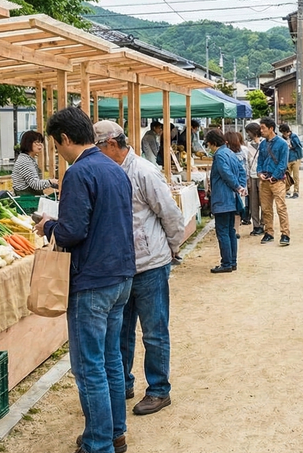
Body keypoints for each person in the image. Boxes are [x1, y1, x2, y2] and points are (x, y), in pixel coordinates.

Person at [34, 107, 136, 453]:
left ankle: (98, 443)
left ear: (64, 139)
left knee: (89, 366)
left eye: (56, 144)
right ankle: (114, 433)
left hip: (91, 280)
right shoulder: (114, 167)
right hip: (120, 275)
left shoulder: (78, 173)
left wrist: (48, 226)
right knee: (110, 361)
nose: (58, 151)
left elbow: (72, 231)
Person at [93, 120, 185, 418]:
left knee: (154, 331)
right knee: (121, 332)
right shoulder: (105, 171)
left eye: (97, 147)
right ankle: (123, 383)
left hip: (150, 264)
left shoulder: (144, 171)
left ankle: (159, 390)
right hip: (120, 267)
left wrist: (173, 246)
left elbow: (169, 212)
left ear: (110, 144)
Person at [206, 129, 248, 274]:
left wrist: (237, 186)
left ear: (212, 143)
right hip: (232, 198)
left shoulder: (219, 155)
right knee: (231, 230)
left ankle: (226, 262)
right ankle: (232, 261)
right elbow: (242, 171)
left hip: (222, 198)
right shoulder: (230, 152)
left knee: (223, 231)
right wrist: (240, 187)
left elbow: (225, 173)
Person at [257, 117, 291, 246]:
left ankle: (285, 234)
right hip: (264, 179)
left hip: (277, 181)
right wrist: (259, 172)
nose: (261, 131)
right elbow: (260, 160)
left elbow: (283, 163)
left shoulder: (282, 144)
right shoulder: (262, 144)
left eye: (263, 128)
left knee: (281, 207)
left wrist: (275, 176)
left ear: (271, 128)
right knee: (266, 208)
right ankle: (269, 232)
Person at [12, 130, 58, 196]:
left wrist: (54, 184)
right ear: (28, 143)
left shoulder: (29, 159)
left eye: (41, 142)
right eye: (36, 142)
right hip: (26, 200)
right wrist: (51, 181)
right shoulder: (25, 161)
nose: (40, 145)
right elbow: (35, 184)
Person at [225, 132, 251, 226]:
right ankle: (237, 227)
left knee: (233, 207)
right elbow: (245, 167)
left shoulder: (227, 153)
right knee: (240, 205)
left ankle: (234, 227)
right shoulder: (243, 150)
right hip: (242, 182)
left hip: (233, 184)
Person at [244, 123, 264, 235]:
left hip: (262, 176)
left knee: (264, 202)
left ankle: (263, 224)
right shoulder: (248, 145)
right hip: (252, 175)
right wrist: (247, 179)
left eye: (249, 132)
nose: (248, 135)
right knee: (253, 203)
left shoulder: (264, 143)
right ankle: (256, 225)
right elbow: (247, 163)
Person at [279, 124, 303, 199]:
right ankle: (287, 191)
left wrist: (292, 146)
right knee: (287, 176)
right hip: (287, 159)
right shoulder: (282, 139)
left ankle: (296, 191)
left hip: (295, 158)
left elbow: (298, 146)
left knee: (296, 176)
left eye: (285, 132)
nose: (284, 134)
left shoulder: (294, 137)